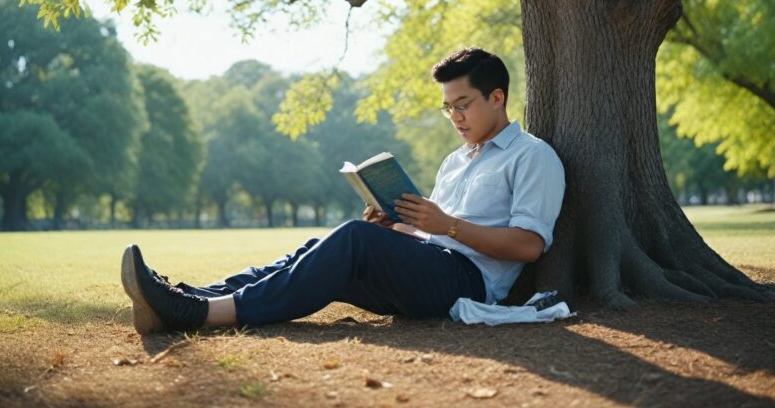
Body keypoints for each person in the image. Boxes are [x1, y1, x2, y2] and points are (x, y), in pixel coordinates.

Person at [121, 47, 565, 334]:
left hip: (470, 285)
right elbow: (434, 236)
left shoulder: (532, 156)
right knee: (325, 245)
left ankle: (201, 315)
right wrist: (397, 226)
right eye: (448, 108)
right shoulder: (456, 160)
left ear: (498, 98)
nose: (455, 117)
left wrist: (445, 223)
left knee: (353, 239)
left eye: (463, 105)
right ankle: (192, 296)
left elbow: (528, 246)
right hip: (432, 269)